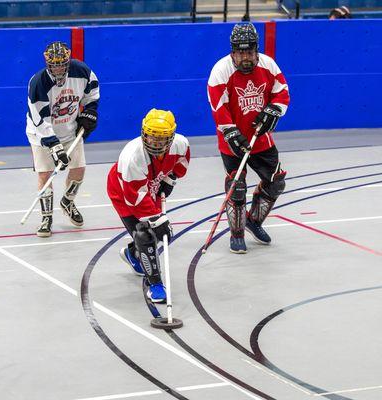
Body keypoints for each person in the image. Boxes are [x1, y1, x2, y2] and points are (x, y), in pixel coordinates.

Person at [207, 23, 290, 254]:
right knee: (237, 186)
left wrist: (274, 110)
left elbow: (282, 91)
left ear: (256, 50)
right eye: (241, 52)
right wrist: (231, 132)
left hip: (260, 138)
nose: (246, 57)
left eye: (250, 52)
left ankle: (253, 221)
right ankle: (237, 233)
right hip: (232, 140)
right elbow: (218, 106)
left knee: (276, 182)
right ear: (233, 51)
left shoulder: (268, 65)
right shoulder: (220, 71)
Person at [107, 109, 190, 303]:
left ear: (171, 137)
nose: (155, 143)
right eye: (152, 138)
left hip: (151, 185)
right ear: (144, 133)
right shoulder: (132, 156)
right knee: (145, 234)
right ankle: (155, 284)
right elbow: (135, 198)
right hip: (124, 192)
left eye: (161, 139)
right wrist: (157, 220)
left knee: (151, 234)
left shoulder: (181, 144)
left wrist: (169, 180)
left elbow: (181, 162)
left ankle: (133, 253)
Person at [26, 41, 100, 237]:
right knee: (46, 173)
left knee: (79, 169)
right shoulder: (38, 83)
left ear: (68, 61)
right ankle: (46, 217)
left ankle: (68, 201)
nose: (58, 68)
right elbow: (40, 119)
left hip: (70, 129)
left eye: (62, 64)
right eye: (54, 64)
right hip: (41, 133)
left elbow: (92, 95)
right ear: (47, 63)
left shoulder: (82, 71)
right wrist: (54, 146)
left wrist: (90, 113)